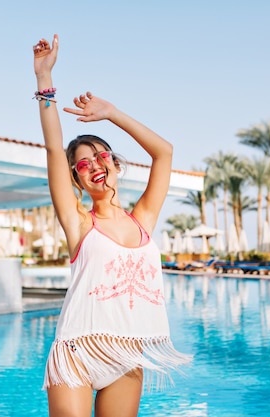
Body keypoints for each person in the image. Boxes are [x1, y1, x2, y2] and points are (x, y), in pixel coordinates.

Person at [33, 34, 191, 417]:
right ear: (77, 179)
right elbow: (55, 148)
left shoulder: (143, 220)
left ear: (116, 165)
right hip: (76, 352)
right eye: (84, 163)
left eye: (102, 156)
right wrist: (44, 77)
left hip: (126, 354)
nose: (95, 165)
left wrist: (112, 113)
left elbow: (164, 152)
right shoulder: (78, 222)